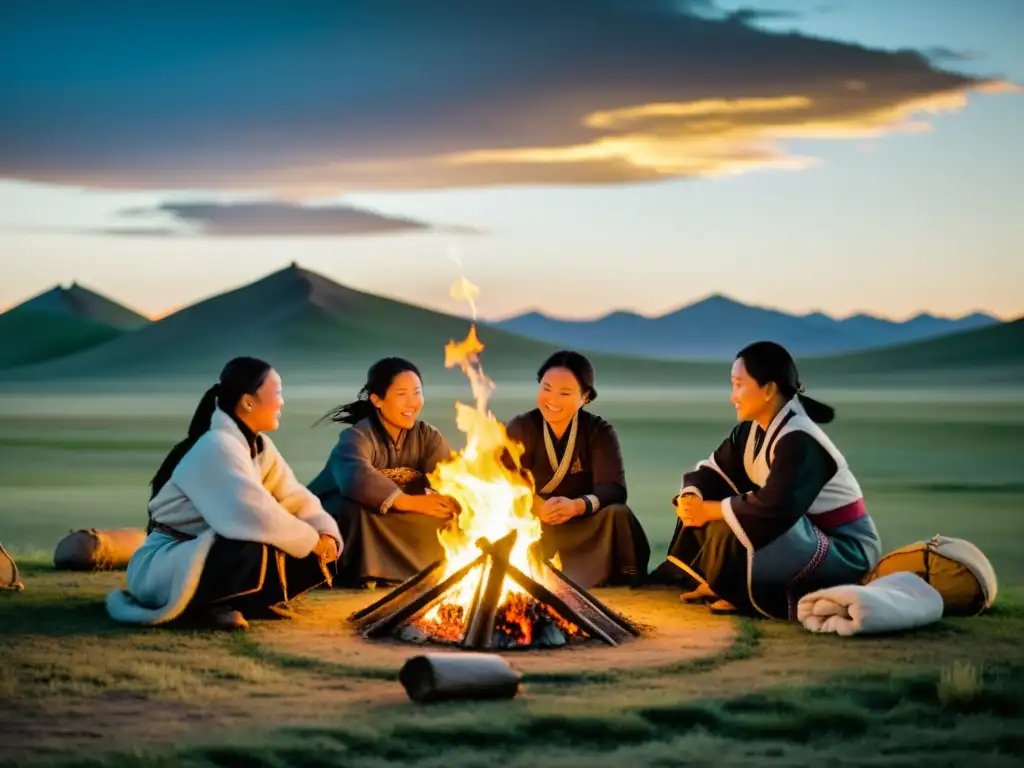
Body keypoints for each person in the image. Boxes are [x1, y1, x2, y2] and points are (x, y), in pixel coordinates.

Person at [106, 357, 342, 631]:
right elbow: (251, 513)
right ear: (248, 401)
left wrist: (324, 534)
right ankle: (207, 606)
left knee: (316, 554)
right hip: (168, 564)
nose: (282, 402)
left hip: (200, 552)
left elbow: (294, 496)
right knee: (249, 540)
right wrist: (310, 540)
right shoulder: (215, 445)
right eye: (276, 393)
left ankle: (250, 601)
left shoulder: (262, 447)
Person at [658, 341, 882, 619]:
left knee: (741, 520)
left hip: (844, 549)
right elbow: (713, 472)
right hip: (805, 533)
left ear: (768, 389)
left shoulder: (801, 439)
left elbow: (777, 509)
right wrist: (693, 499)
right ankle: (724, 583)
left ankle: (741, 591)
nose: (733, 396)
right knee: (714, 503)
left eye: (739, 385)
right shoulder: (749, 432)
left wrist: (712, 511)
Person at [503, 351, 651, 588]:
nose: (552, 399)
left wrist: (577, 506)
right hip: (536, 524)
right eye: (546, 388)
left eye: (565, 393)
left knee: (618, 513)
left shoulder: (598, 432)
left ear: (585, 398)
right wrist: (536, 506)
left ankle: (623, 579)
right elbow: (503, 478)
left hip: (584, 524)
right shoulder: (522, 427)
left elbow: (613, 489)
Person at [306, 357, 459, 586]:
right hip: (345, 512)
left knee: (450, 512)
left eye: (417, 392)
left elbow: (451, 473)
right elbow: (354, 478)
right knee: (358, 509)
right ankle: (368, 572)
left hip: (396, 513)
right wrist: (408, 502)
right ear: (377, 400)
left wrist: (450, 498)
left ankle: (432, 569)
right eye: (402, 394)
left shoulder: (427, 436)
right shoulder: (357, 437)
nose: (412, 403)